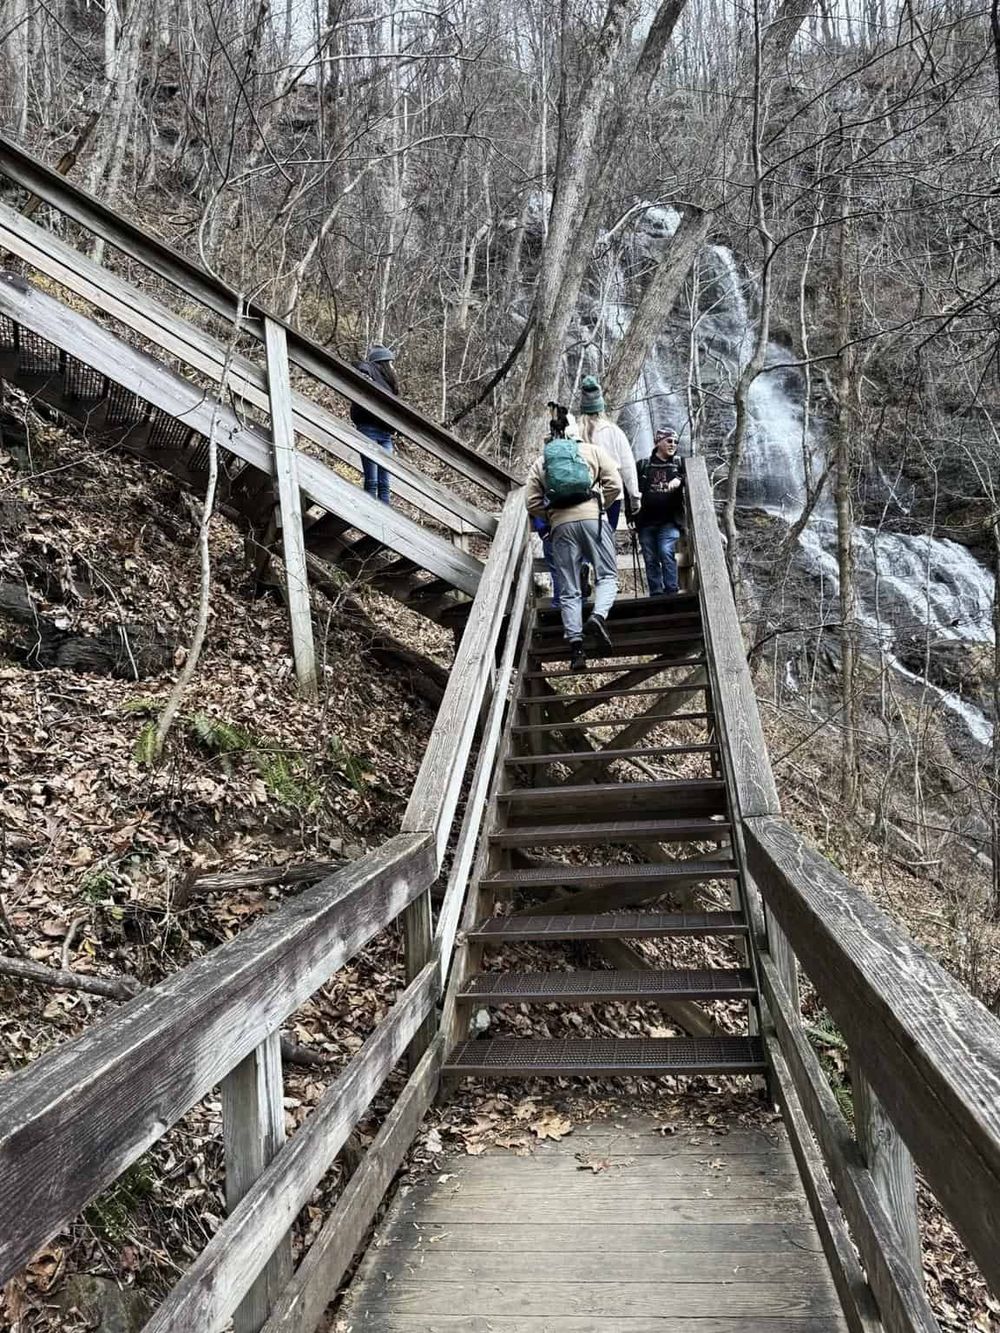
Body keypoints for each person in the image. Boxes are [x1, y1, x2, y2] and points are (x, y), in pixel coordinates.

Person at [525, 403, 622, 671]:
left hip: (561, 526)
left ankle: (576, 649)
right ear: (575, 430)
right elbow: (615, 484)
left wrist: (552, 515)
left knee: (569, 589)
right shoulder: (592, 451)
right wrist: (600, 505)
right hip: (593, 519)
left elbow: (531, 502)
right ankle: (599, 616)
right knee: (607, 575)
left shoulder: (542, 461)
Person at [577, 375, 640, 528]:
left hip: (580, 494)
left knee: (584, 541)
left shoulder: (572, 431)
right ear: (601, 407)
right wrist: (634, 496)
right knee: (605, 538)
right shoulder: (614, 432)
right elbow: (628, 467)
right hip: (611, 493)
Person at [636, 427, 685, 597]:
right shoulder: (642, 465)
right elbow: (631, 492)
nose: (673, 444)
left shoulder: (679, 464)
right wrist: (630, 515)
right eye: (669, 441)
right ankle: (656, 593)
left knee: (666, 551)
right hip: (645, 521)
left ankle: (671, 590)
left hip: (670, 520)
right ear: (658, 442)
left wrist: (680, 479)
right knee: (650, 558)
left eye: (675, 442)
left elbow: (694, 477)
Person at [350, 345, 398, 505]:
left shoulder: (389, 383)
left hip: (386, 435)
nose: (393, 366)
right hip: (368, 429)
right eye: (390, 362)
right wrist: (366, 377)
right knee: (372, 481)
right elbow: (358, 366)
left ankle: (385, 522)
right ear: (383, 362)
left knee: (385, 484)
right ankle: (370, 517)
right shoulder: (369, 369)